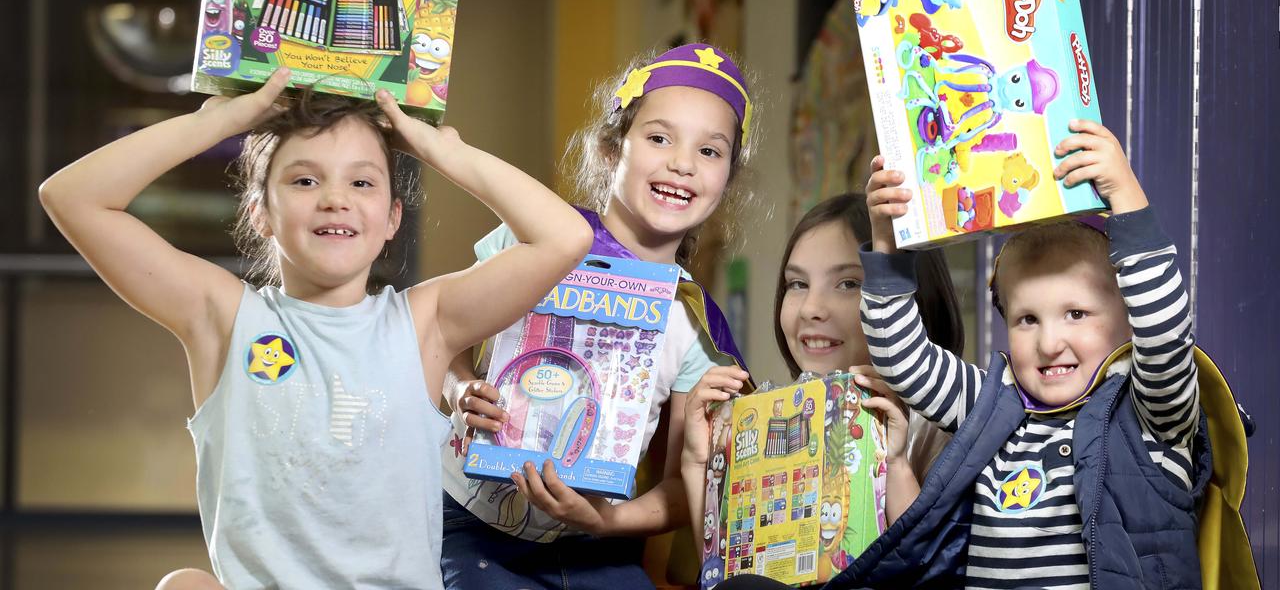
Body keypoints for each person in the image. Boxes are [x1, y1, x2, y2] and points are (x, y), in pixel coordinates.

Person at [38, 69, 593, 590]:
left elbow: (563, 237)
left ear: (392, 218)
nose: (336, 197)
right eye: (305, 179)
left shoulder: (425, 324)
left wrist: (437, 149)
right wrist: (218, 124)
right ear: (261, 212)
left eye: (362, 181)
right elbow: (71, 197)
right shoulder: (225, 317)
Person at [835, 118, 1229, 588]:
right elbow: (901, 359)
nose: (1048, 342)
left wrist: (1126, 197)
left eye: (1077, 314)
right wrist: (887, 244)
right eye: (1027, 319)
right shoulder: (991, 405)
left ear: (1130, 317)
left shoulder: (1151, 411)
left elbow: (1165, 332)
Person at [439, 43, 757, 589]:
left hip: (596, 546)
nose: (682, 163)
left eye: (710, 152)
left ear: (728, 176)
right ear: (612, 149)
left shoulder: (696, 325)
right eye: (659, 138)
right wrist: (460, 390)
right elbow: (444, 337)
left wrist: (604, 520)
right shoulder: (536, 240)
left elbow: (686, 488)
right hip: (472, 528)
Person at [681, 192, 964, 583]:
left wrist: (895, 464)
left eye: (848, 283)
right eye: (797, 284)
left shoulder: (934, 429)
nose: (812, 307)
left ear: (906, 297)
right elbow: (722, 572)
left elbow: (927, 572)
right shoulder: (772, 419)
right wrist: (699, 461)